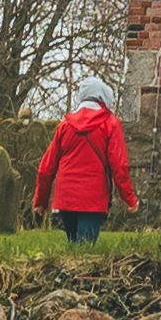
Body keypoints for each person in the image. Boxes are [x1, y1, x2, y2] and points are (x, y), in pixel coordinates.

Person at [30, 79, 137, 244]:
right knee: (85, 250)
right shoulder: (110, 123)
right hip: (93, 198)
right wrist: (129, 199)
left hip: (66, 196)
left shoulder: (65, 125)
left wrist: (40, 201)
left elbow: (46, 168)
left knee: (73, 246)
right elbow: (119, 166)